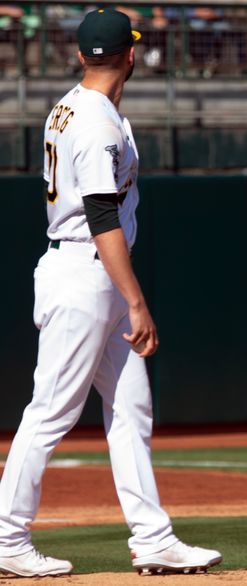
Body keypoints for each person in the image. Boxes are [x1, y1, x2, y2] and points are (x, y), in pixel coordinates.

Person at [0, 9, 222, 577]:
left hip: (87, 272)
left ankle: (153, 538)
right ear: (128, 55)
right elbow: (101, 215)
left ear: (82, 55)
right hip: (85, 272)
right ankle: (5, 537)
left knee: (131, 408)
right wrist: (137, 301)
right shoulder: (96, 121)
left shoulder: (72, 104)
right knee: (50, 412)